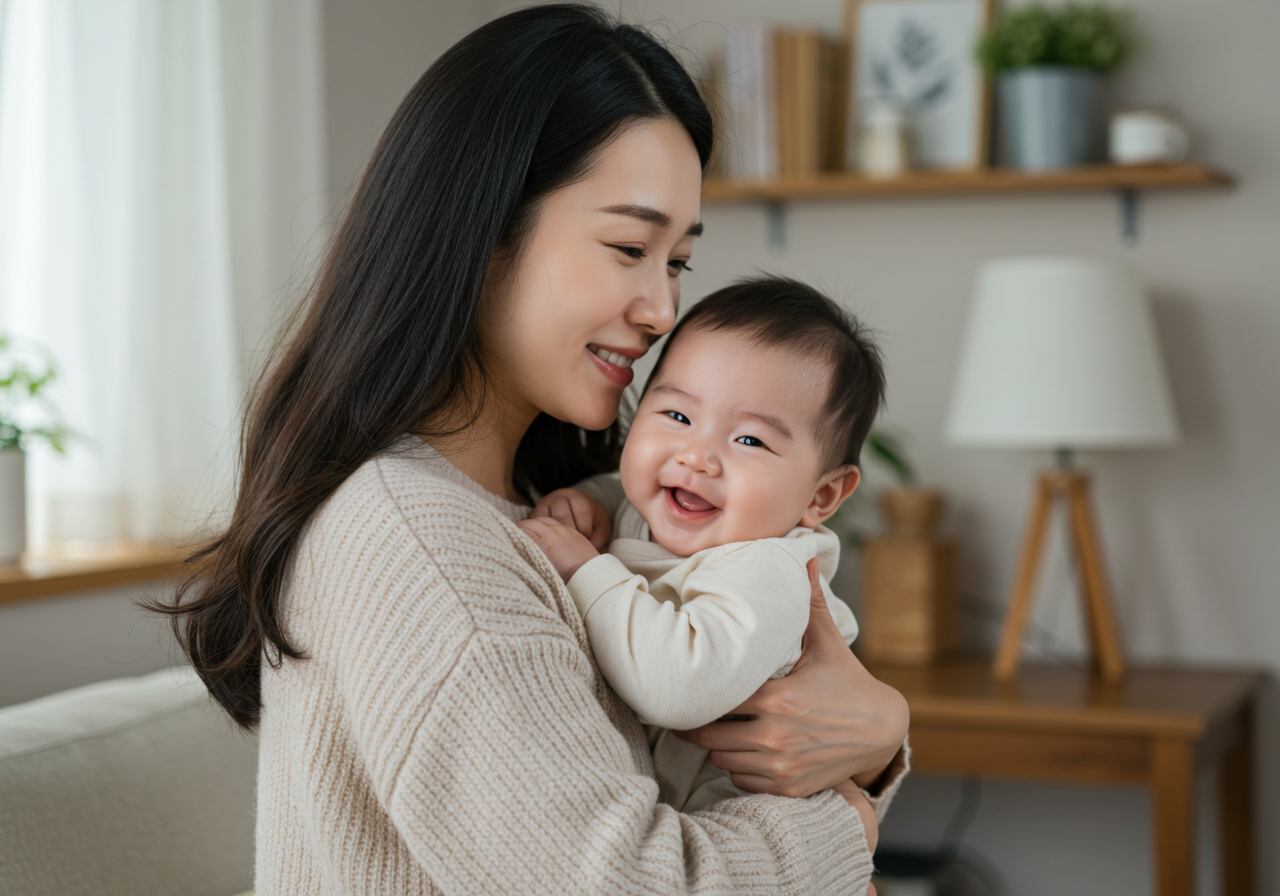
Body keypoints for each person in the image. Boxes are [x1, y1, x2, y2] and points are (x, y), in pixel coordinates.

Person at [154, 6, 909, 894]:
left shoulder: (565, 502)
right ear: (482, 232)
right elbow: (629, 882)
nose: (663, 311)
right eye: (629, 246)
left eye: (678, 263)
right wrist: (846, 818)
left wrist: (880, 728)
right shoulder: (422, 541)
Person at [518, 277, 899, 820]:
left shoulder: (768, 571)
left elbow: (677, 687)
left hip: (750, 843)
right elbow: (623, 488)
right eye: (677, 416)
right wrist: (586, 501)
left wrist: (586, 569)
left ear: (821, 495)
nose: (697, 457)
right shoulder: (660, 509)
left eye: (749, 440)